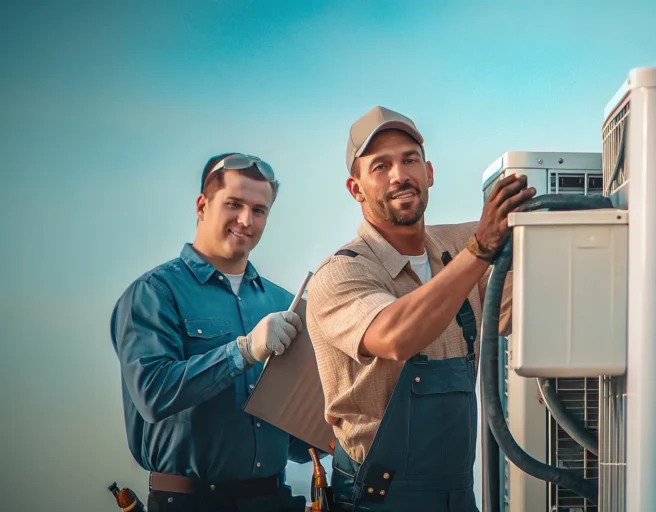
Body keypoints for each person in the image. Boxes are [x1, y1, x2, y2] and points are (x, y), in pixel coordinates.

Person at [305, 106, 533, 511]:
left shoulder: (458, 249)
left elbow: (528, 307)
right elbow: (397, 337)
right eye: (380, 166)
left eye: (409, 160)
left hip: (457, 496)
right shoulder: (341, 273)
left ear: (429, 173)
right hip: (378, 500)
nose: (399, 175)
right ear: (356, 189)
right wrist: (481, 249)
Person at [110, 153, 323, 512]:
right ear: (202, 205)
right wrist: (245, 350)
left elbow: (298, 442)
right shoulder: (154, 294)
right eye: (234, 204)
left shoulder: (284, 303)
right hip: (189, 503)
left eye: (259, 210)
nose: (246, 220)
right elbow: (152, 393)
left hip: (275, 500)